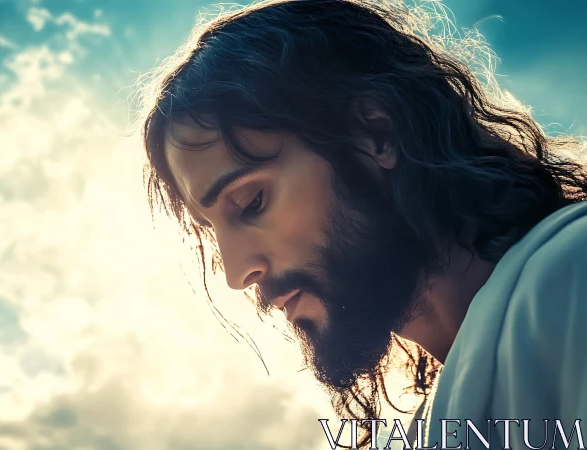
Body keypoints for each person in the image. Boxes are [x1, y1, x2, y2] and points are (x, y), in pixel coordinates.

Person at [136, 0, 587, 448]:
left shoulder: (571, 275)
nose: (237, 274)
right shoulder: (427, 431)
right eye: (212, 232)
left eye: (252, 202)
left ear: (375, 135)